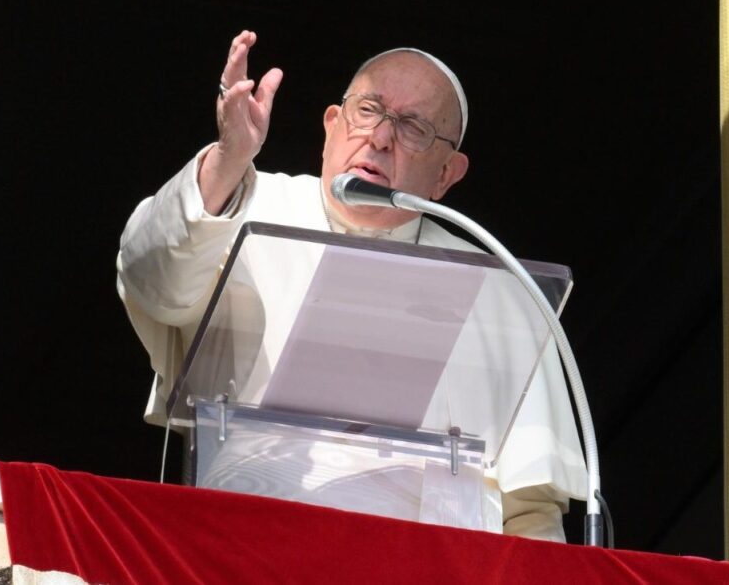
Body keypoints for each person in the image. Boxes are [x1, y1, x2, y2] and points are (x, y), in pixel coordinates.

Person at [117, 30, 586, 542]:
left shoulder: (498, 286)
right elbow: (151, 279)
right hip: (246, 544)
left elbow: (530, 512)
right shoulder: (243, 205)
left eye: (413, 127)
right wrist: (230, 157)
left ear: (447, 175)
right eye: (369, 110)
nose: (381, 138)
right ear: (332, 125)